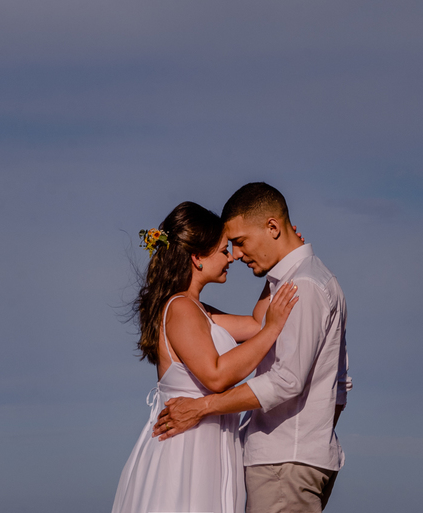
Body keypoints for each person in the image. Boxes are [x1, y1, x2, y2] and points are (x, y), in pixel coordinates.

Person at [156, 183, 350, 513]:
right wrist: (314, 436)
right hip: (270, 456)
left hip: (282, 461)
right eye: (227, 247)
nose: (235, 254)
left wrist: (202, 408)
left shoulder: (302, 285)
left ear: (272, 227)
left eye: (240, 242)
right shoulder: (306, 281)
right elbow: (339, 386)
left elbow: (286, 378)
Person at [112, 201, 299, 513]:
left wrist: (281, 260)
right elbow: (216, 375)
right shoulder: (181, 308)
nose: (231, 258)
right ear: (197, 257)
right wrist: (274, 329)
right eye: (224, 251)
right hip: (188, 450)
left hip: (208, 443)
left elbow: (255, 324)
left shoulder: (198, 310)